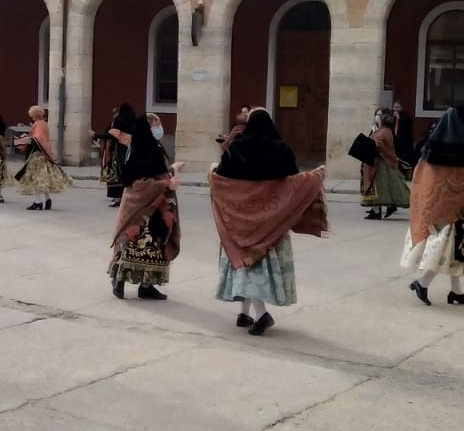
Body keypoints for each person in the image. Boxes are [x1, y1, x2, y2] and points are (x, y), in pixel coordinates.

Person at [210, 108, 329, 336]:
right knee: (255, 266)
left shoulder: (236, 148)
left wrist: (212, 173)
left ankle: (261, 314)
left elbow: (222, 179)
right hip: (271, 223)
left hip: (240, 221)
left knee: (244, 264)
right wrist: (313, 177)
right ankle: (244, 313)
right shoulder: (281, 149)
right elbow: (291, 182)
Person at [402, 107, 464, 307]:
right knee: (445, 251)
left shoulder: (431, 146)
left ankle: (456, 291)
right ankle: (422, 283)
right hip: (454, 212)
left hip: (436, 208)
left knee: (453, 253)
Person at [108, 114, 181, 301]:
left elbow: (158, 172)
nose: (160, 128)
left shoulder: (153, 146)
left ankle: (147, 286)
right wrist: (165, 184)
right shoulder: (141, 150)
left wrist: (172, 171)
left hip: (157, 210)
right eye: (156, 124)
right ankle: (119, 280)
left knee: (155, 248)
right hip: (140, 212)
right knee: (132, 246)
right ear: (148, 128)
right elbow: (138, 184)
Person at [14, 105, 73, 211]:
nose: (30, 116)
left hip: (37, 156)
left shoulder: (37, 124)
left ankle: (37, 202)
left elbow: (37, 139)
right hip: (43, 155)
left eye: (31, 115)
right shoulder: (43, 124)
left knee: (37, 179)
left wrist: (21, 141)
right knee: (43, 179)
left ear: (33, 115)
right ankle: (47, 200)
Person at [360, 111, 411, 220]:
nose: (378, 118)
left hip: (381, 164)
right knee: (382, 188)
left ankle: (377, 211)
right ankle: (378, 210)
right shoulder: (384, 131)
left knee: (379, 188)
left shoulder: (384, 132)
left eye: (380, 117)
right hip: (379, 162)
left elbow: (376, 144)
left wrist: (366, 143)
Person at [95, 103, 138, 207]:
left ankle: (117, 197)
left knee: (117, 172)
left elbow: (111, 135)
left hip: (118, 150)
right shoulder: (132, 121)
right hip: (129, 149)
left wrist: (95, 135)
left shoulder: (119, 122)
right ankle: (128, 196)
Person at [390, 101, 416, 166]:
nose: (396, 109)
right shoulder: (391, 116)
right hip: (395, 141)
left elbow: (408, 124)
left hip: (404, 143)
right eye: (395, 107)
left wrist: (399, 118)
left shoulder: (406, 116)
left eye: (398, 107)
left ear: (402, 108)